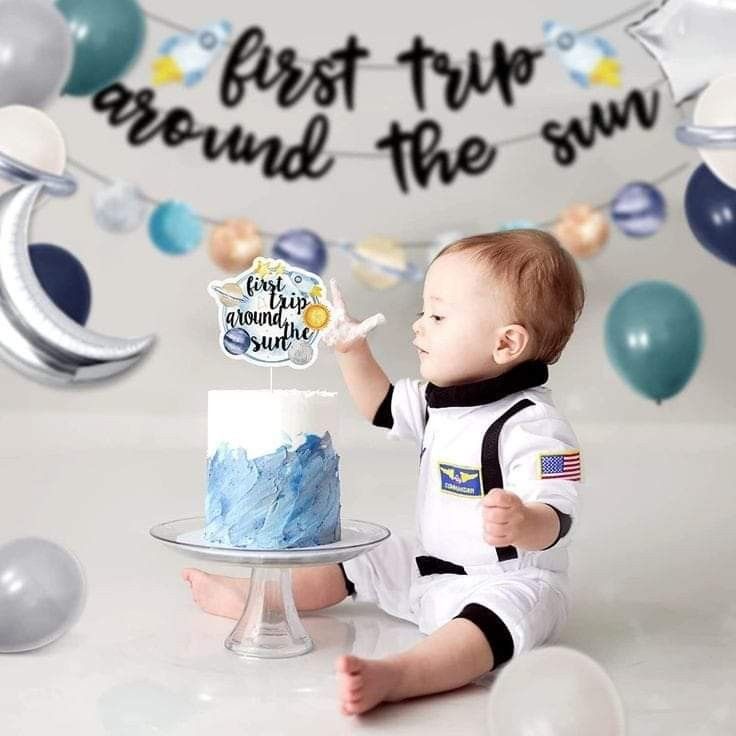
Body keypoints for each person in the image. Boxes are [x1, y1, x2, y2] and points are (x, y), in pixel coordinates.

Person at [183, 229, 585, 716]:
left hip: (504, 578)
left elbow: (558, 513)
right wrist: (353, 352)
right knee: (369, 558)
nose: (418, 327)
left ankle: (400, 675)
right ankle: (264, 601)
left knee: (499, 618)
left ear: (506, 343)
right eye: (423, 312)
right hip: (428, 564)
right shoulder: (440, 401)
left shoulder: (533, 426)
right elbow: (381, 405)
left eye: (437, 315)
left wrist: (525, 520)